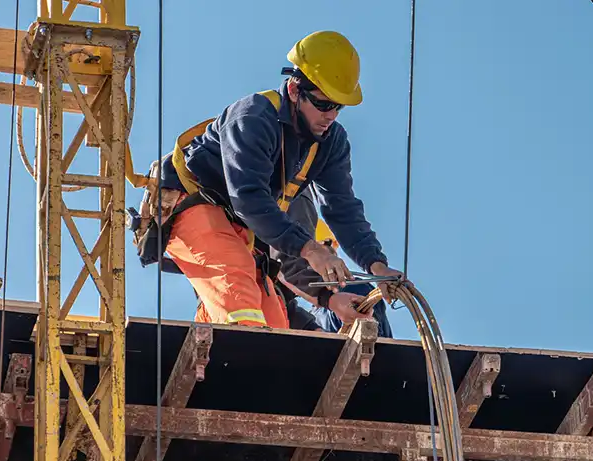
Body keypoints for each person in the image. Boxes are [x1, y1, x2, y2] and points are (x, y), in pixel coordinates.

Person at [135, 30, 407, 328]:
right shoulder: (253, 117)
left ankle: (217, 351)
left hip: (241, 227)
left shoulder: (330, 142)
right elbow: (249, 199)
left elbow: (343, 210)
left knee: (274, 320)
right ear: (294, 90)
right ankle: (238, 356)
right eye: (324, 104)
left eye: (338, 106)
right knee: (236, 285)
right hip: (192, 203)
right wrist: (312, 250)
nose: (331, 115)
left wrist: (376, 266)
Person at [272, 187, 393, 338]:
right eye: (327, 247)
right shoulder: (348, 293)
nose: (333, 254)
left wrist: (378, 266)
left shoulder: (317, 308)